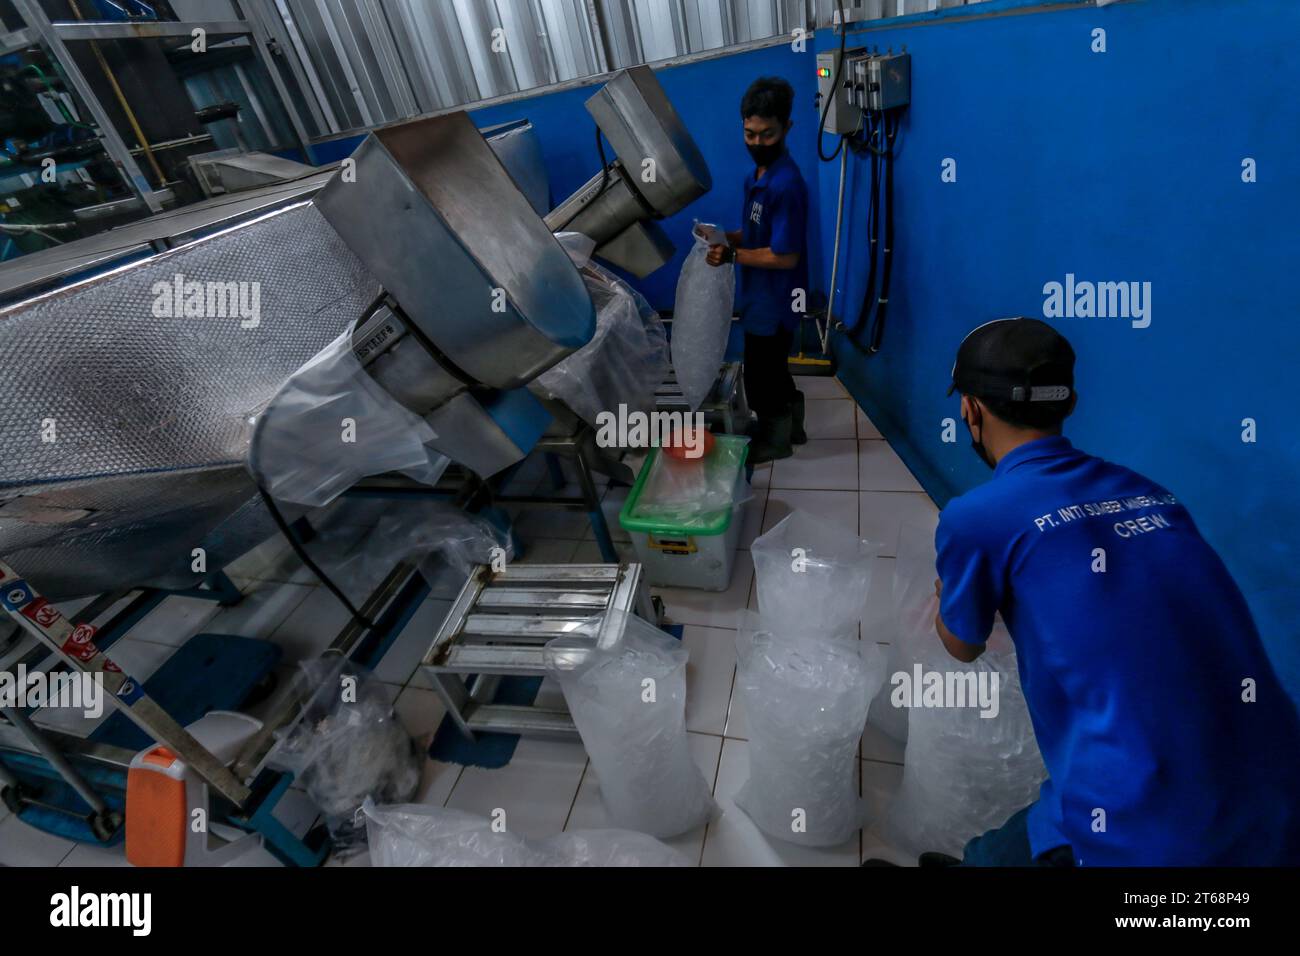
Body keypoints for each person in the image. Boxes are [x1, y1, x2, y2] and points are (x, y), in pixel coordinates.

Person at [925, 316, 1300, 866]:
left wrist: (946, 596)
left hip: (1150, 836)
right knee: (997, 851)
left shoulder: (976, 517)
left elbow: (962, 644)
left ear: (971, 411)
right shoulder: (1152, 495)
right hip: (1279, 794)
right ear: (1069, 402)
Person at [703, 76, 810, 465]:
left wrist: (731, 256)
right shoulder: (757, 177)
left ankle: (775, 439)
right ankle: (792, 427)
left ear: (787, 128)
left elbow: (786, 257)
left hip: (777, 301)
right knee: (774, 370)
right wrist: (725, 237)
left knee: (763, 377)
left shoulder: (787, 185)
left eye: (768, 134)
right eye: (750, 134)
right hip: (758, 294)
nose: (757, 143)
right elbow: (753, 233)